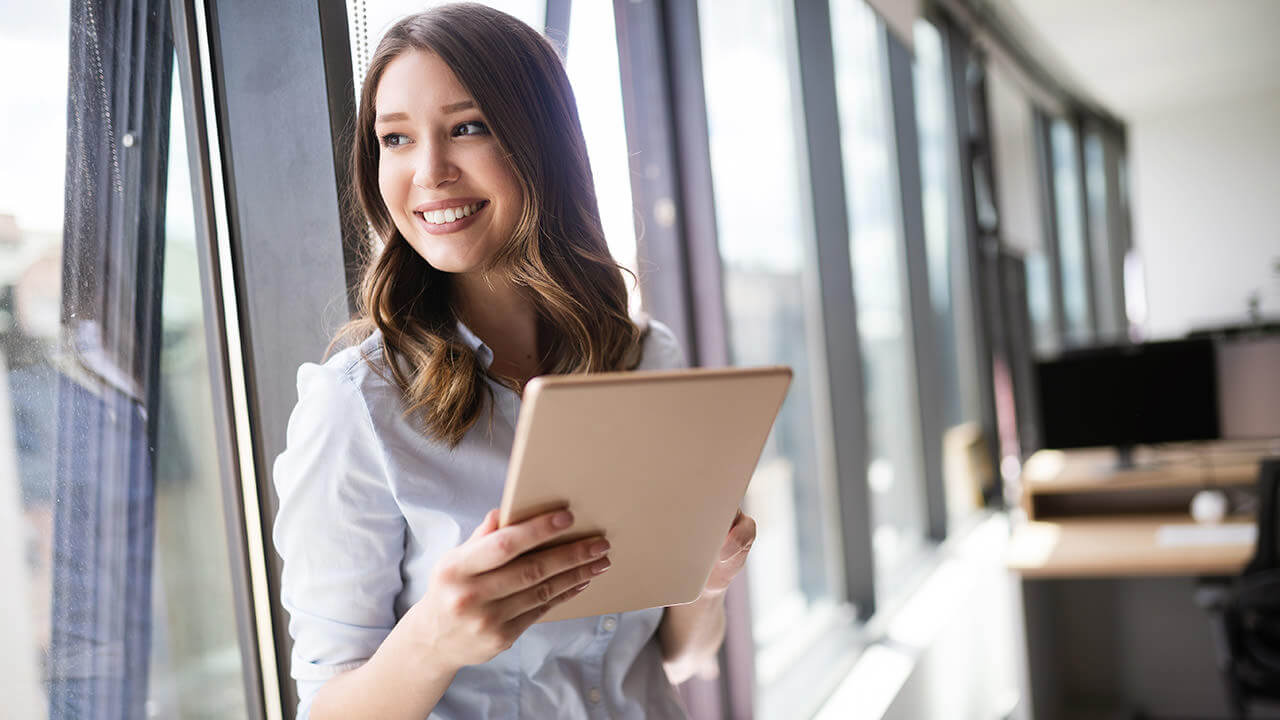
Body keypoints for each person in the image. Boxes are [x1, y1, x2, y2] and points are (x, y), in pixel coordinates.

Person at [270, 4, 757, 719]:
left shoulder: (645, 356)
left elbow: (681, 657)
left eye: (467, 127)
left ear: (542, 143)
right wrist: (436, 637)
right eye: (396, 139)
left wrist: (707, 576)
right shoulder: (356, 404)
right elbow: (324, 708)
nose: (429, 171)